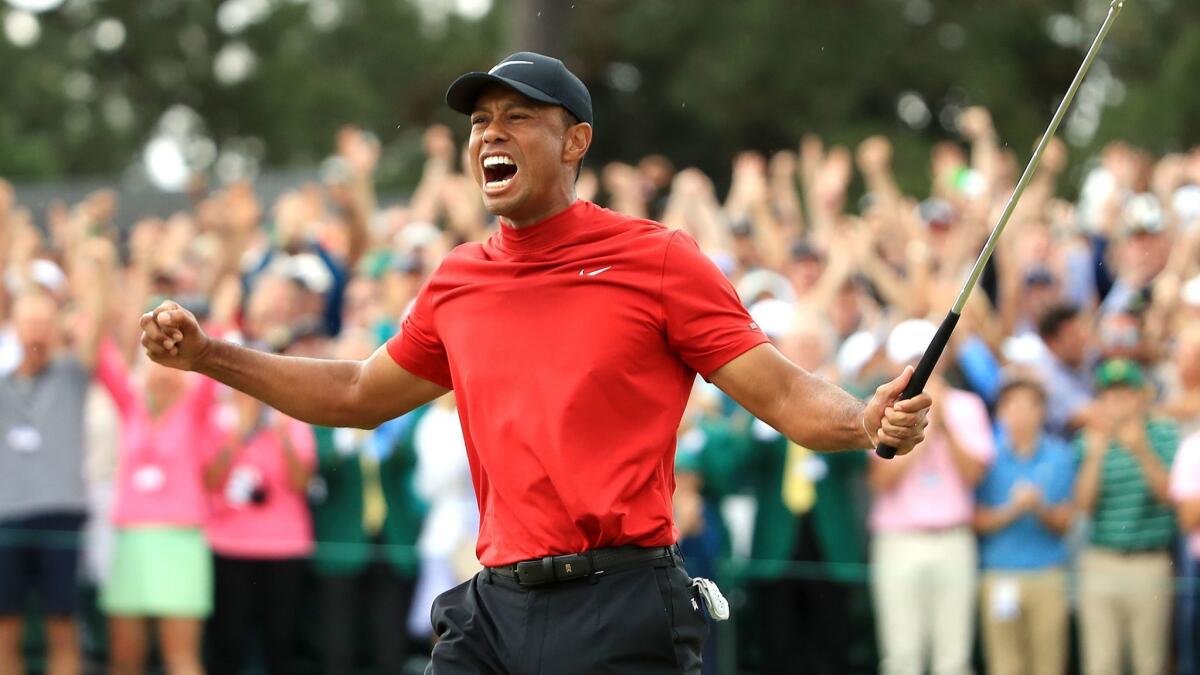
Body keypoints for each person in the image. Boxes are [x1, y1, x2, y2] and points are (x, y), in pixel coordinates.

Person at [139, 51, 932, 673]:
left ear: (576, 140)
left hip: (620, 604)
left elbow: (788, 396)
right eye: (481, 120)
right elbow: (354, 390)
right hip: (492, 609)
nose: (490, 133)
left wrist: (867, 418)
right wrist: (210, 354)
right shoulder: (457, 278)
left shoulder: (656, 259)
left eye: (518, 117)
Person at [0, 239, 111, 675]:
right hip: (6, 518)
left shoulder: (71, 374)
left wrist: (100, 271)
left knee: (63, 624)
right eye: (30, 322)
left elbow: (99, 323)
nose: (38, 331)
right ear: (14, 326)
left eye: (45, 322)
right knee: (4, 627)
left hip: (60, 515)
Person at [868, 319, 994, 675]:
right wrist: (919, 431)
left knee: (953, 657)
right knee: (901, 655)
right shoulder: (883, 409)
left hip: (953, 538)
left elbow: (973, 475)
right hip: (899, 540)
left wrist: (944, 424)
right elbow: (881, 479)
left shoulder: (967, 406)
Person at [95, 340, 218, 675]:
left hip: (182, 541)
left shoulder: (197, 406)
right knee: (123, 658)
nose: (164, 375)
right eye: (156, 365)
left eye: (173, 369)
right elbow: (102, 356)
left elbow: (212, 359)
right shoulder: (130, 404)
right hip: (131, 540)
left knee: (181, 657)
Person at [1074, 358, 1178, 675]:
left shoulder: (1162, 435)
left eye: (1125, 393)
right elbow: (1084, 506)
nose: (1117, 402)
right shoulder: (1089, 440)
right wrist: (1096, 453)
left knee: (1150, 662)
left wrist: (1141, 450)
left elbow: (1169, 496)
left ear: (1140, 396)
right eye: (1109, 394)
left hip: (1150, 560)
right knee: (1101, 663)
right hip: (1102, 559)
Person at [202, 391, 315, 675]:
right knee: (227, 641)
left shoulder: (292, 422)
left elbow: (302, 482)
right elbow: (209, 481)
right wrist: (238, 433)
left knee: (280, 643)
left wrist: (282, 436)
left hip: (283, 550)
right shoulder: (218, 419)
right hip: (230, 548)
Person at [973, 372, 1077, 675]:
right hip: (1000, 574)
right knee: (1004, 665)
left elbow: (1065, 522)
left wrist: (1038, 508)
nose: (1018, 413)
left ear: (1041, 411)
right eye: (1011, 406)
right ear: (1001, 412)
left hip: (1047, 574)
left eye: (1027, 405)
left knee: (1048, 664)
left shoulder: (1060, 456)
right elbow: (977, 520)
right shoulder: (987, 456)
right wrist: (1013, 510)